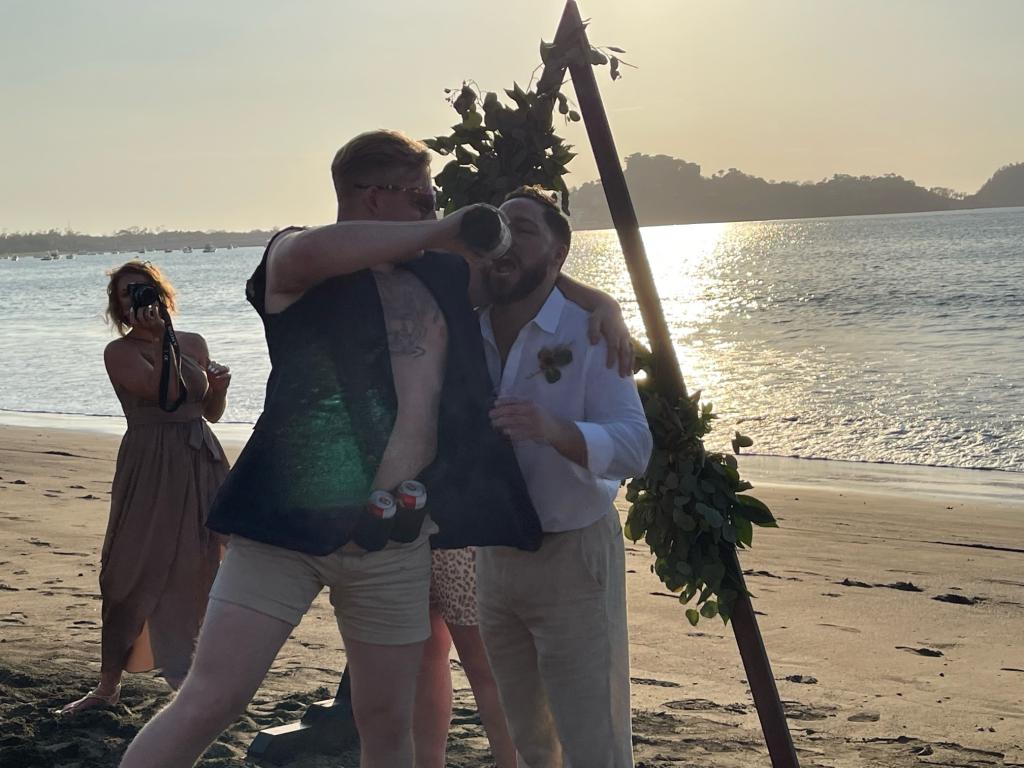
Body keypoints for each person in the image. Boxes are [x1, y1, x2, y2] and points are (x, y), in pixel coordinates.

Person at [118, 130, 628, 768]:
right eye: (422, 194)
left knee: (389, 724)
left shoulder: (441, 276)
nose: (432, 206)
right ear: (372, 195)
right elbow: (323, 248)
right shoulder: (295, 261)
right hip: (283, 530)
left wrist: (597, 298)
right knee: (213, 698)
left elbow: (524, 277)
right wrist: (442, 228)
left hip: (393, 534)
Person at [476, 186, 653, 768]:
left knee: (594, 738)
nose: (507, 238)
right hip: (493, 559)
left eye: (524, 230)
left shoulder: (588, 331)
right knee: (529, 738)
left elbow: (634, 444)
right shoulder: (462, 322)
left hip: (573, 556)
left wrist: (558, 431)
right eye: (500, 226)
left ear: (558, 256)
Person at [60, 261, 231, 715]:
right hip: (149, 462)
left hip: (199, 458)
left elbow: (209, 412)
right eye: (126, 294)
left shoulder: (192, 342)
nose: (136, 298)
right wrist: (158, 341)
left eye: (143, 289)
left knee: (200, 567)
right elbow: (162, 393)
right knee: (127, 569)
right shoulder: (119, 352)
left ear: (160, 293)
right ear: (118, 307)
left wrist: (220, 388)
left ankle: (191, 679)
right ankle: (107, 687)